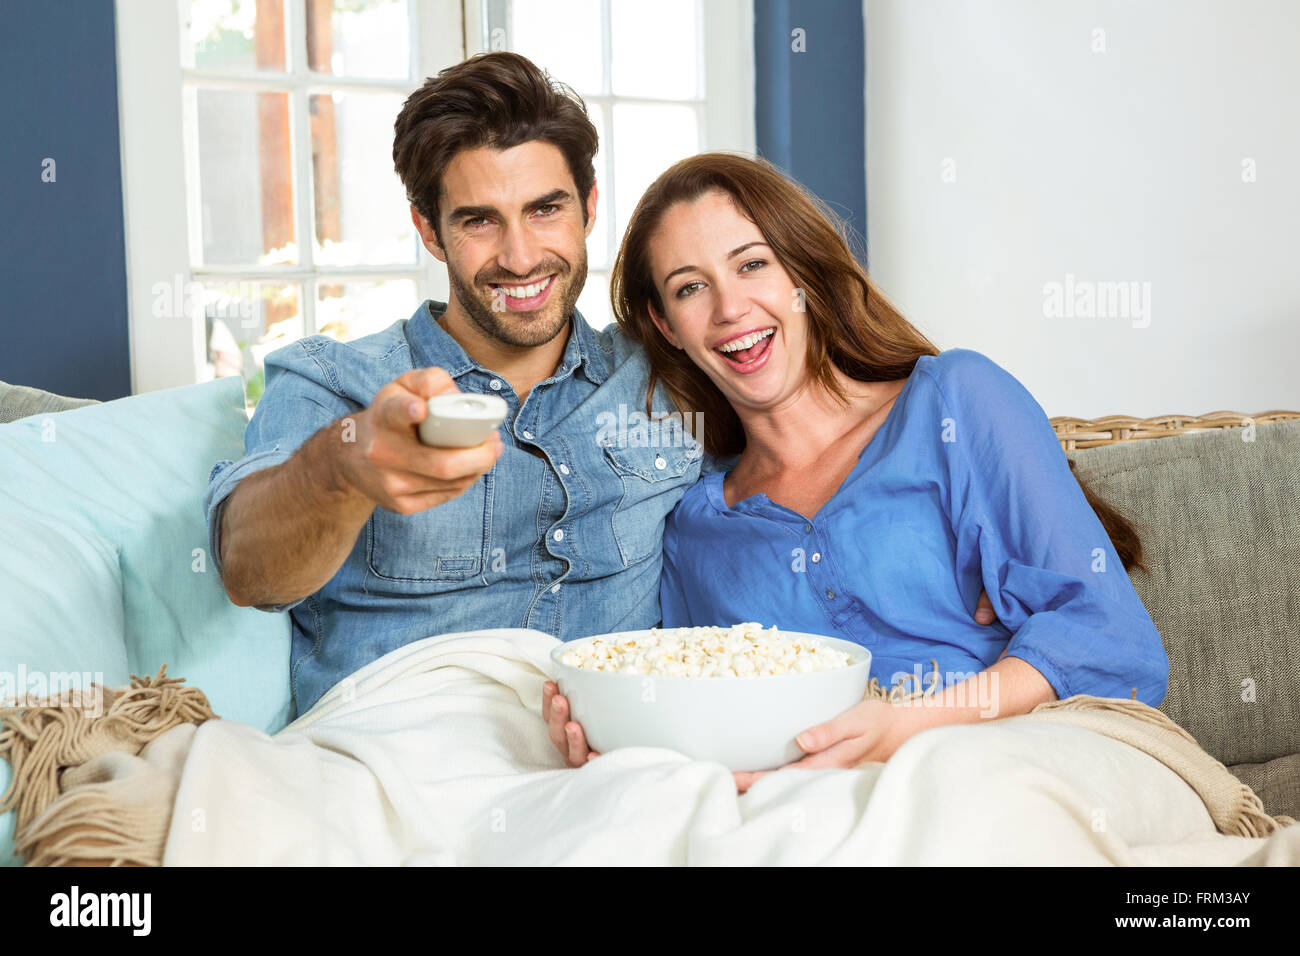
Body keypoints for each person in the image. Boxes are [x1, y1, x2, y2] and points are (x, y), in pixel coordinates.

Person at [207, 51, 999, 724]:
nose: (520, 257)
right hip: (395, 743)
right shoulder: (337, 386)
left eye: (545, 209)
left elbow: (831, 438)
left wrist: (976, 533)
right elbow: (247, 567)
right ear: (427, 229)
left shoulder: (674, 372)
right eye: (479, 220)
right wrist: (340, 469)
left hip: (617, 757)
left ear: (587, 207)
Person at [556, 152, 1168, 790]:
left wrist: (907, 728)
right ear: (666, 326)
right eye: (690, 287)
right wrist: (607, 736)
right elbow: (698, 719)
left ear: (804, 273)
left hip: (1025, 764)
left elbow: (1112, 644)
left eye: (753, 264)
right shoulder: (696, 529)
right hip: (817, 810)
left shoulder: (956, 400)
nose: (730, 307)